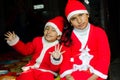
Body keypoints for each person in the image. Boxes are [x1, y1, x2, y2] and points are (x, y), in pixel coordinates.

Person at [4, 16, 73, 80]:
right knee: (24, 77)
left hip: (47, 71)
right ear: (43, 31)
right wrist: (15, 41)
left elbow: (55, 69)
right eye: (47, 28)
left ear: (59, 36)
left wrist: (56, 59)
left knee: (47, 78)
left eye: (53, 30)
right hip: (32, 68)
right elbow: (26, 50)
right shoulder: (37, 40)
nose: (48, 32)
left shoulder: (60, 47)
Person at [60, 0, 111, 80]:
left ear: (87, 14)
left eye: (81, 15)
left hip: (95, 74)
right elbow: (65, 59)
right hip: (72, 74)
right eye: (74, 18)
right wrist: (69, 76)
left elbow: (104, 57)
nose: (79, 21)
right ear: (70, 22)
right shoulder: (66, 36)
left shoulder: (99, 32)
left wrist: (93, 77)